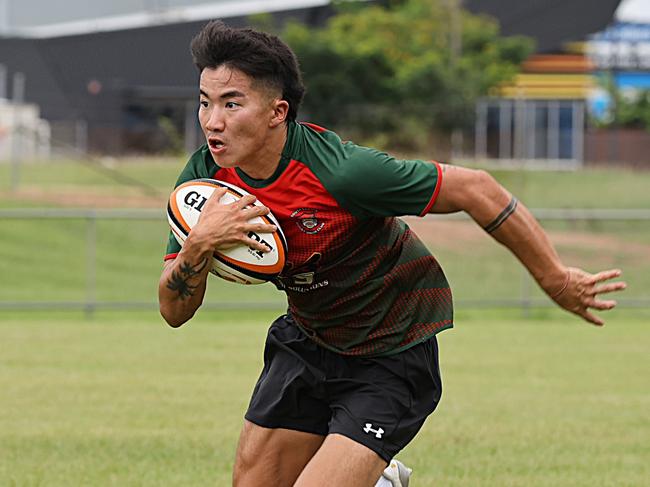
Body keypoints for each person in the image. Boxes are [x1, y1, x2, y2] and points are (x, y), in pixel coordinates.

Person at [158, 20, 626, 487]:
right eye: (205, 102)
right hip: (308, 340)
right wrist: (197, 246)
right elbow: (173, 311)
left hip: (391, 349)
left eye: (231, 103)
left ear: (277, 112)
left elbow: (477, 189)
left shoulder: (342, 174)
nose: (211, 121)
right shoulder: (206, 182)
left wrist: (555, 279)